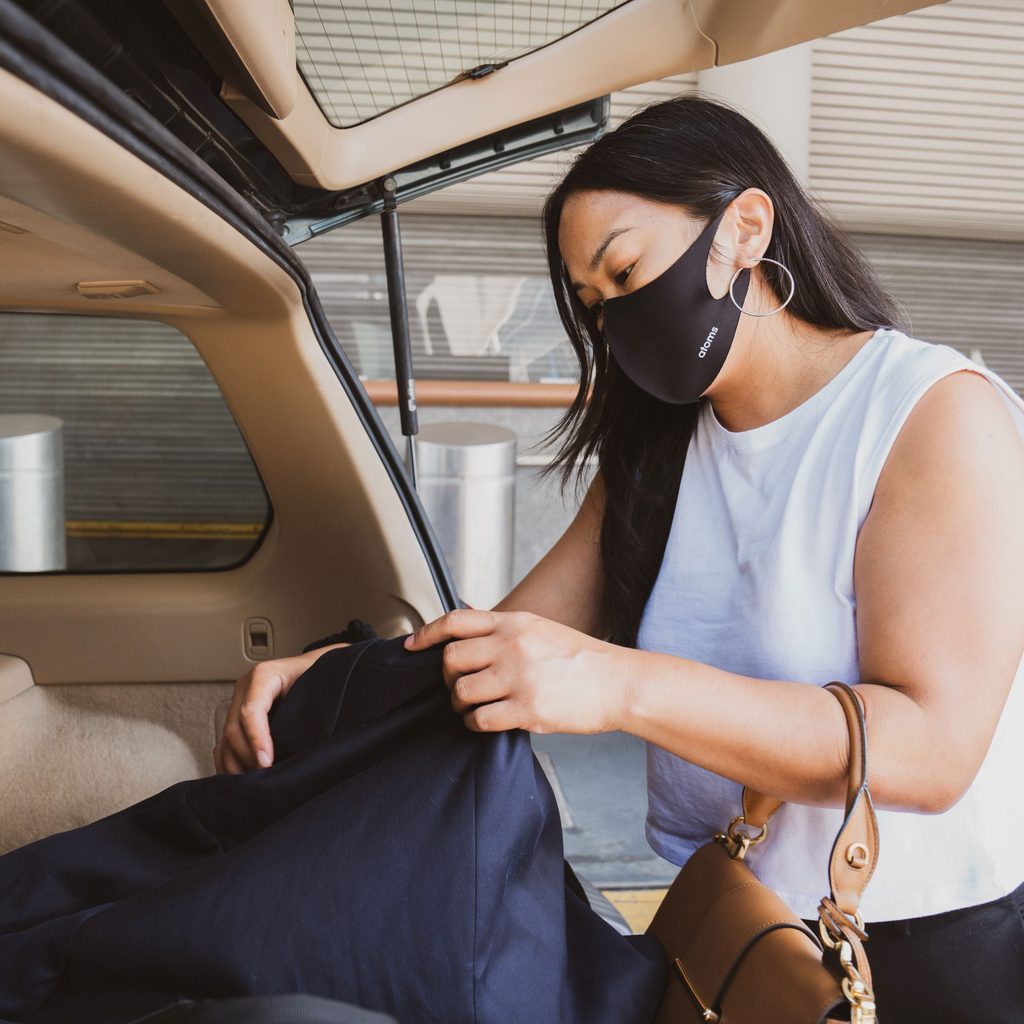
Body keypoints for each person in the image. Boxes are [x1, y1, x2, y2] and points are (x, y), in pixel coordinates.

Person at [217, 95, 1024, 1022]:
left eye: (627, 270)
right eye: (593, 303)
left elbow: (930, 750)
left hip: (920, 953)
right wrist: (324, 678)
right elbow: (506, 645)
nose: (615, 321)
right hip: (734, 932)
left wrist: (619, 685)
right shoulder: (663, 453)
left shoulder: (929, 416)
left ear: (744, 231)